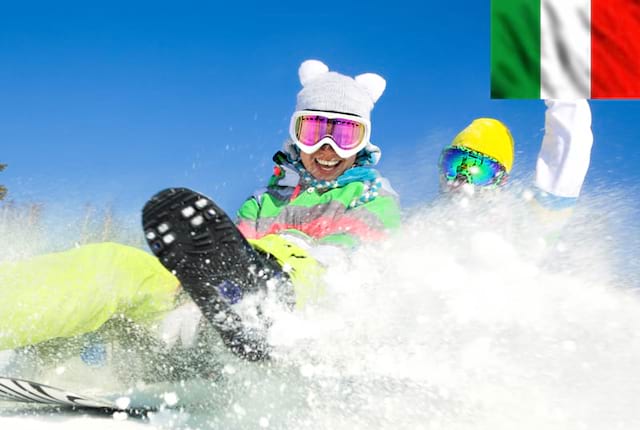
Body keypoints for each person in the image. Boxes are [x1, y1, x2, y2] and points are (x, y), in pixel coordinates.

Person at [0, 59, 401, 373]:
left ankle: (256, 295)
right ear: (295, 134)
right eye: (314, 131)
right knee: (114, 265)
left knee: (294, 252)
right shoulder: (262, 203)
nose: (328, 147)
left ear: (363, 141)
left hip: (294, 330)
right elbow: (214, 256)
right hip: (197, 328)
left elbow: (355, 267)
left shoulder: (372, 197)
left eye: (345, 135)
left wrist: (267, 267)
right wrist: (193, 291)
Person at [436, 100, 593, 236]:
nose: (463, 180)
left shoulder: (532, 223)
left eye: (480, 172)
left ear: (500, 181)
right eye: (454, 165)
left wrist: (558, 82)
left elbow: (571, 142)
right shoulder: (426, 227)